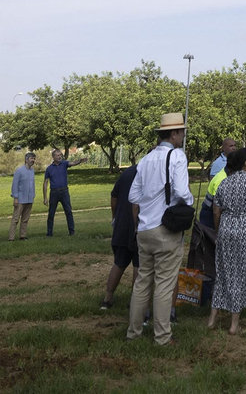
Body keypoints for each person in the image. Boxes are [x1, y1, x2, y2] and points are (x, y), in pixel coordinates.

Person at [127, 112, 193, 346]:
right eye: (182, 131)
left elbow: (133, 195)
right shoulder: (177, 156)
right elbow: (182, 191)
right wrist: (189, 201)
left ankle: (133, 333)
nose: (183, 135)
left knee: (143, 281)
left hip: (144, 229)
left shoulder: (146, 159)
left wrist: (150, 201)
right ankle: (162, 337)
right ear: (174, 133)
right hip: (166, 230)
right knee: (165, 284)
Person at [207, 147, 246, 333]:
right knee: (242, 274)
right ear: (245, 163)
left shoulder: (224, 183)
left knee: (223, 271)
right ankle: (234, 324)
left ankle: (212, 319)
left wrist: (219, 231)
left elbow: (216, 211)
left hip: (226, 229)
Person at [102, 154, 139, 309]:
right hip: (139, 225)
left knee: (119, 263)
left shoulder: (128, 172)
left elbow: (114, 197)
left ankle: (107, 299)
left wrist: (115, 217)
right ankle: (134, 301)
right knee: (139, 265)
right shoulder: (150, 173)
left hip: (122, 225)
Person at [44, 146, 89, 236]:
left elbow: (72, 163)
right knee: (51, 213)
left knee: (68, 212)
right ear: (53, 157)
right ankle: (49, 233)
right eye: (57, 155)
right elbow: (45, 183)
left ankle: (72, 231)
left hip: (64, 191)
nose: (59, 157)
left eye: (60, 155)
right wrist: (45, 197)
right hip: (54, 192)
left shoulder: (64, 164)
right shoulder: (49, 169)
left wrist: (80, 161)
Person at [9, 151, 37, 241]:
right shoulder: (19, 171)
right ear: (26, 159)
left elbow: (32, 184)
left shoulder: (32, 171)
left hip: (29, 199)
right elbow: (15, 185)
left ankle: (22, 236)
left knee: (25, 219)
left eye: (34, 158)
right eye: (31, 158)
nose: (33, 160)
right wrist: (15, 198)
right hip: (20, 199)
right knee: (15, 219)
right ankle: (11, 238)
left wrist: (33, 195)